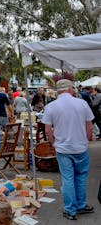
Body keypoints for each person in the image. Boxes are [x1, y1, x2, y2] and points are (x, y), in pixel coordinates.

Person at [41, 79, 94, 220]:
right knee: (81, 177)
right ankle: (81, 205)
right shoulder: (82, 103)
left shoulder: (51, 106)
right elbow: (89, 125)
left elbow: (47, 130)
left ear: (58, 91)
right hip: (80, 147)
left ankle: (71, 210)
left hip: (63, 148)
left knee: (68, 178)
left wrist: (53, 143)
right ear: (70, 89)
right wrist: (87, 139)